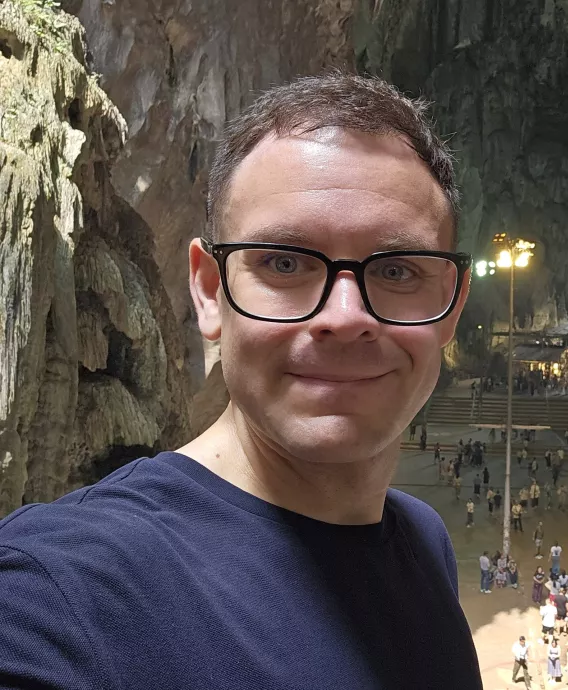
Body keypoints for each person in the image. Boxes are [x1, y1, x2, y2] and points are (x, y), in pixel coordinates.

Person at [0, 73, 483, 689]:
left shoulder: (422, 542)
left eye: (396, 269)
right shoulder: (58, 594)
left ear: (451, 305)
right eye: (285, 263)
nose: (344, 317)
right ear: (209, 291)